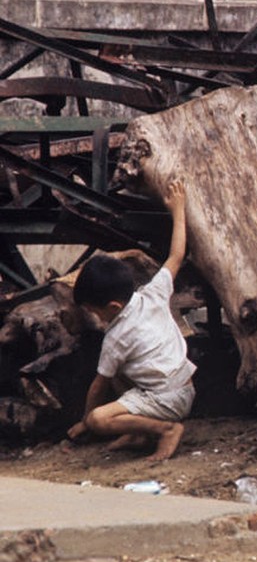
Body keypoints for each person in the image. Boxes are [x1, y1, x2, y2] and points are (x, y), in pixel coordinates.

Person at [67, 181, 196, 462]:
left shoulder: (116, 338)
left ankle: (166, 430)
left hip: (166, 402)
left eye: (94, 311)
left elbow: (98, 386)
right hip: (184, 386)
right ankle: (140, 434)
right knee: (120, 370)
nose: (95, 317)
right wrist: (179, 210)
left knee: (100, 419)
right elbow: (176, 255)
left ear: (113, 306)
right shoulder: (153, 292)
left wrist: (85, 421)